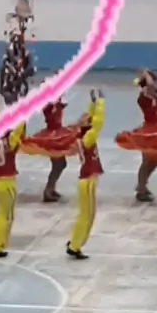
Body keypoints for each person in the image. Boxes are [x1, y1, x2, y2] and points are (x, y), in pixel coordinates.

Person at [115, 70, 157, 203]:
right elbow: (150, 85)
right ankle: (141, 189)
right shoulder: (146, 96)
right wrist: (145, 74)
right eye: (155, 82)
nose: (156, 85)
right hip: (150, 131)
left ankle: (142, 185)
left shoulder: (153, 96)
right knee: (147, 161)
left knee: (155, 160)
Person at [66, 89, 105, 260]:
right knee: (86, 215)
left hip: (88, 179)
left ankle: (76, 242)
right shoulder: (87, 138)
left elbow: (91, 119)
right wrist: (101, 103)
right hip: (88, 180)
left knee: (89, 215)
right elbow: (97, 123)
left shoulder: (83, 134)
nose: (86, 116)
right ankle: (74, 246)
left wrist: (93, 103)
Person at [22, 98, 78, 202]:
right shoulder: (49, 105)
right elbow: (50, 114)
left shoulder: (54, 103)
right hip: (53, 136)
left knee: (60, 164)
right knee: (59, 164)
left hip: (57, 133)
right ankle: (48, 190)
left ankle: (50, 188)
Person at [0, 121, 26, 258]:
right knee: (7, 216)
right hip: (7, 182)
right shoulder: (10, 142)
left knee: (0, 212)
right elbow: (19, 130)